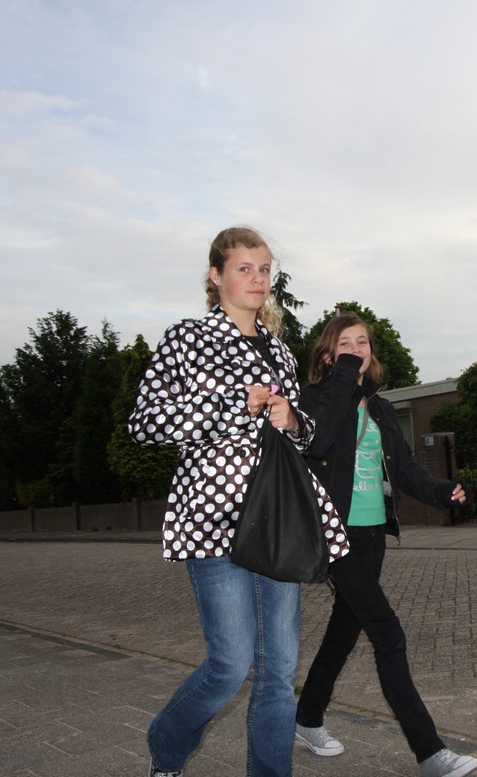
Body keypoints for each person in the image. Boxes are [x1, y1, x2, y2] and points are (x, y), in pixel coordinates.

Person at [128, 227, 349, 777]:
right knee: (229, 665)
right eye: (245, 268)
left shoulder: (280, 351)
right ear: (216, 275)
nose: (258, 279)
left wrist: (292, 420)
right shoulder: (186, 338)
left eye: (265, 269)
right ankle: (166, 746)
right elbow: (146, 422)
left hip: (278, 518)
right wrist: (232, 403)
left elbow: (303, 436)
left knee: (279, 672)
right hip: (214, 520)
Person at [293, 312, 477, 777]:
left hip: (372, 533)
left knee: (344, 631)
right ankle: (430, 752)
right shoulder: (312, 401)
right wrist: (344, 381)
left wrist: (442, 492)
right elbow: (316, 444)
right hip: (336, 533)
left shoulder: (381, 408)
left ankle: (306, 718)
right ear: (327, 354)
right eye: (345, 343)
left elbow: (406, 469)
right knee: (387, 633)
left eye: (362, 342)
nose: (357, 349)